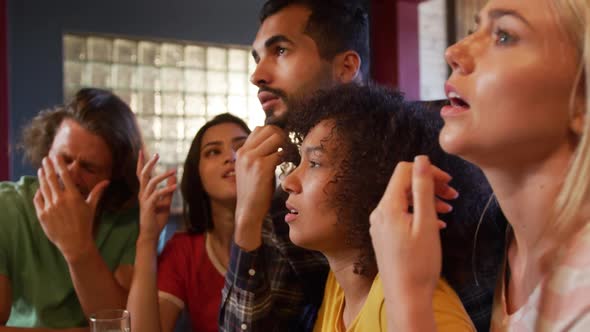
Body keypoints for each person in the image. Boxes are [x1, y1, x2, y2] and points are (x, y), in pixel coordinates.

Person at [220, 0, 505, 331]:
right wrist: (247, 217)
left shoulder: (436, 141)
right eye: (256, 58)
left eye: (280, 51)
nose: (257, 75)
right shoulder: (286, 196)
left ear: (346, 66)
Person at [370, 0, 590, 331]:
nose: (454, 51)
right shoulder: (491, 246)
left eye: (504, 35)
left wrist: (408, 297)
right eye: (475, 30)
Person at [281, 83, 475, 331]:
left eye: (315, 163)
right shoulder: (341, 282)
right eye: (300, 162)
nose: (289, 182)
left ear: (374, 181)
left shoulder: (431, 310)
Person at [0, 88, 142, 330]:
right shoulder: (7, 207)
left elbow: (118, 326)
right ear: (46, 152)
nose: (69, 175)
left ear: (115, 176)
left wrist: (78, 248)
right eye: (64, 160)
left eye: (88, 167)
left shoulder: (129, 219)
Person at [127, 114, 250, 332]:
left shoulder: (290, 238)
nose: (231, 157)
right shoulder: (184, 250)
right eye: (213, 151)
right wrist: (147, 238)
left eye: (241, 147)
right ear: (197, 174)